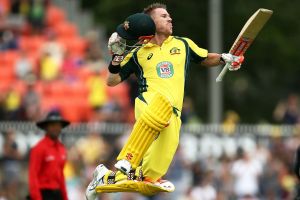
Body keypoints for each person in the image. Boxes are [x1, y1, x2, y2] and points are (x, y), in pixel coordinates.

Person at [86, 3, 244, 199]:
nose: (170, 19)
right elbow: (112, 81)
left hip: (173, 115)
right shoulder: (138, 52)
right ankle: (127, 158)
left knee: (150, 180)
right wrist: (117, 58)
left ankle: (103, 180)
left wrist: (224, 58)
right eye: (163, 16)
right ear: (150, 22)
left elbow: (204, 58)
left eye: (169, 16)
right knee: (161, 107)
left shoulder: (182, 44)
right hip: (149, 102)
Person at [28, 111, 70, 200]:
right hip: (43, 193)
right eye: (52, 125)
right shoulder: (39, 148)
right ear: (46, 127)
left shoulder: (62, 149)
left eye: (58, 125)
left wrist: (65, 197)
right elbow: (33, 176)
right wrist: (37, 198)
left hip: (57, 194)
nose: (55, 128)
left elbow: (61, 176)